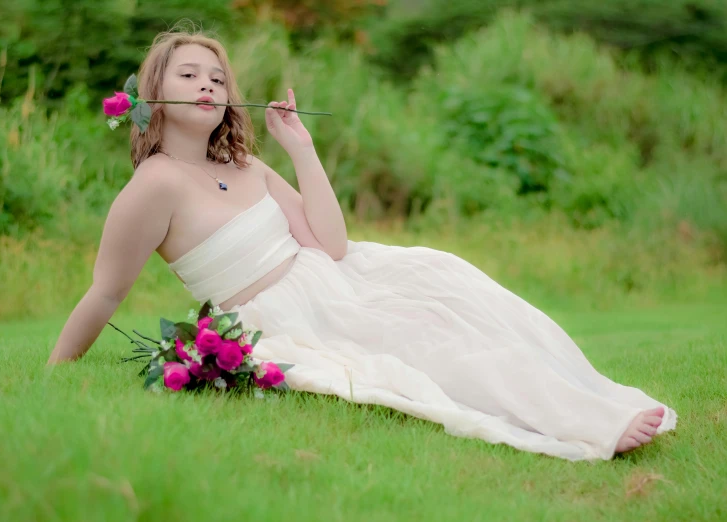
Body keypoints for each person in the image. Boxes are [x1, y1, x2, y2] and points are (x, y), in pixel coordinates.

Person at [48, 24, 676, 461]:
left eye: (218, 75)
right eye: (190, 74)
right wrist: (54, 375)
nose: (209, 84)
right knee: (421, 350)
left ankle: (588, 399)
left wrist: (300, 147)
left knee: (455, 294)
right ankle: (584, 424)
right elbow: (105, 294)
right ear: (151, 93)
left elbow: (333, 242)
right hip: (282, 315)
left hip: (335, 278)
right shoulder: (153, 186)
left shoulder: (246, 165)